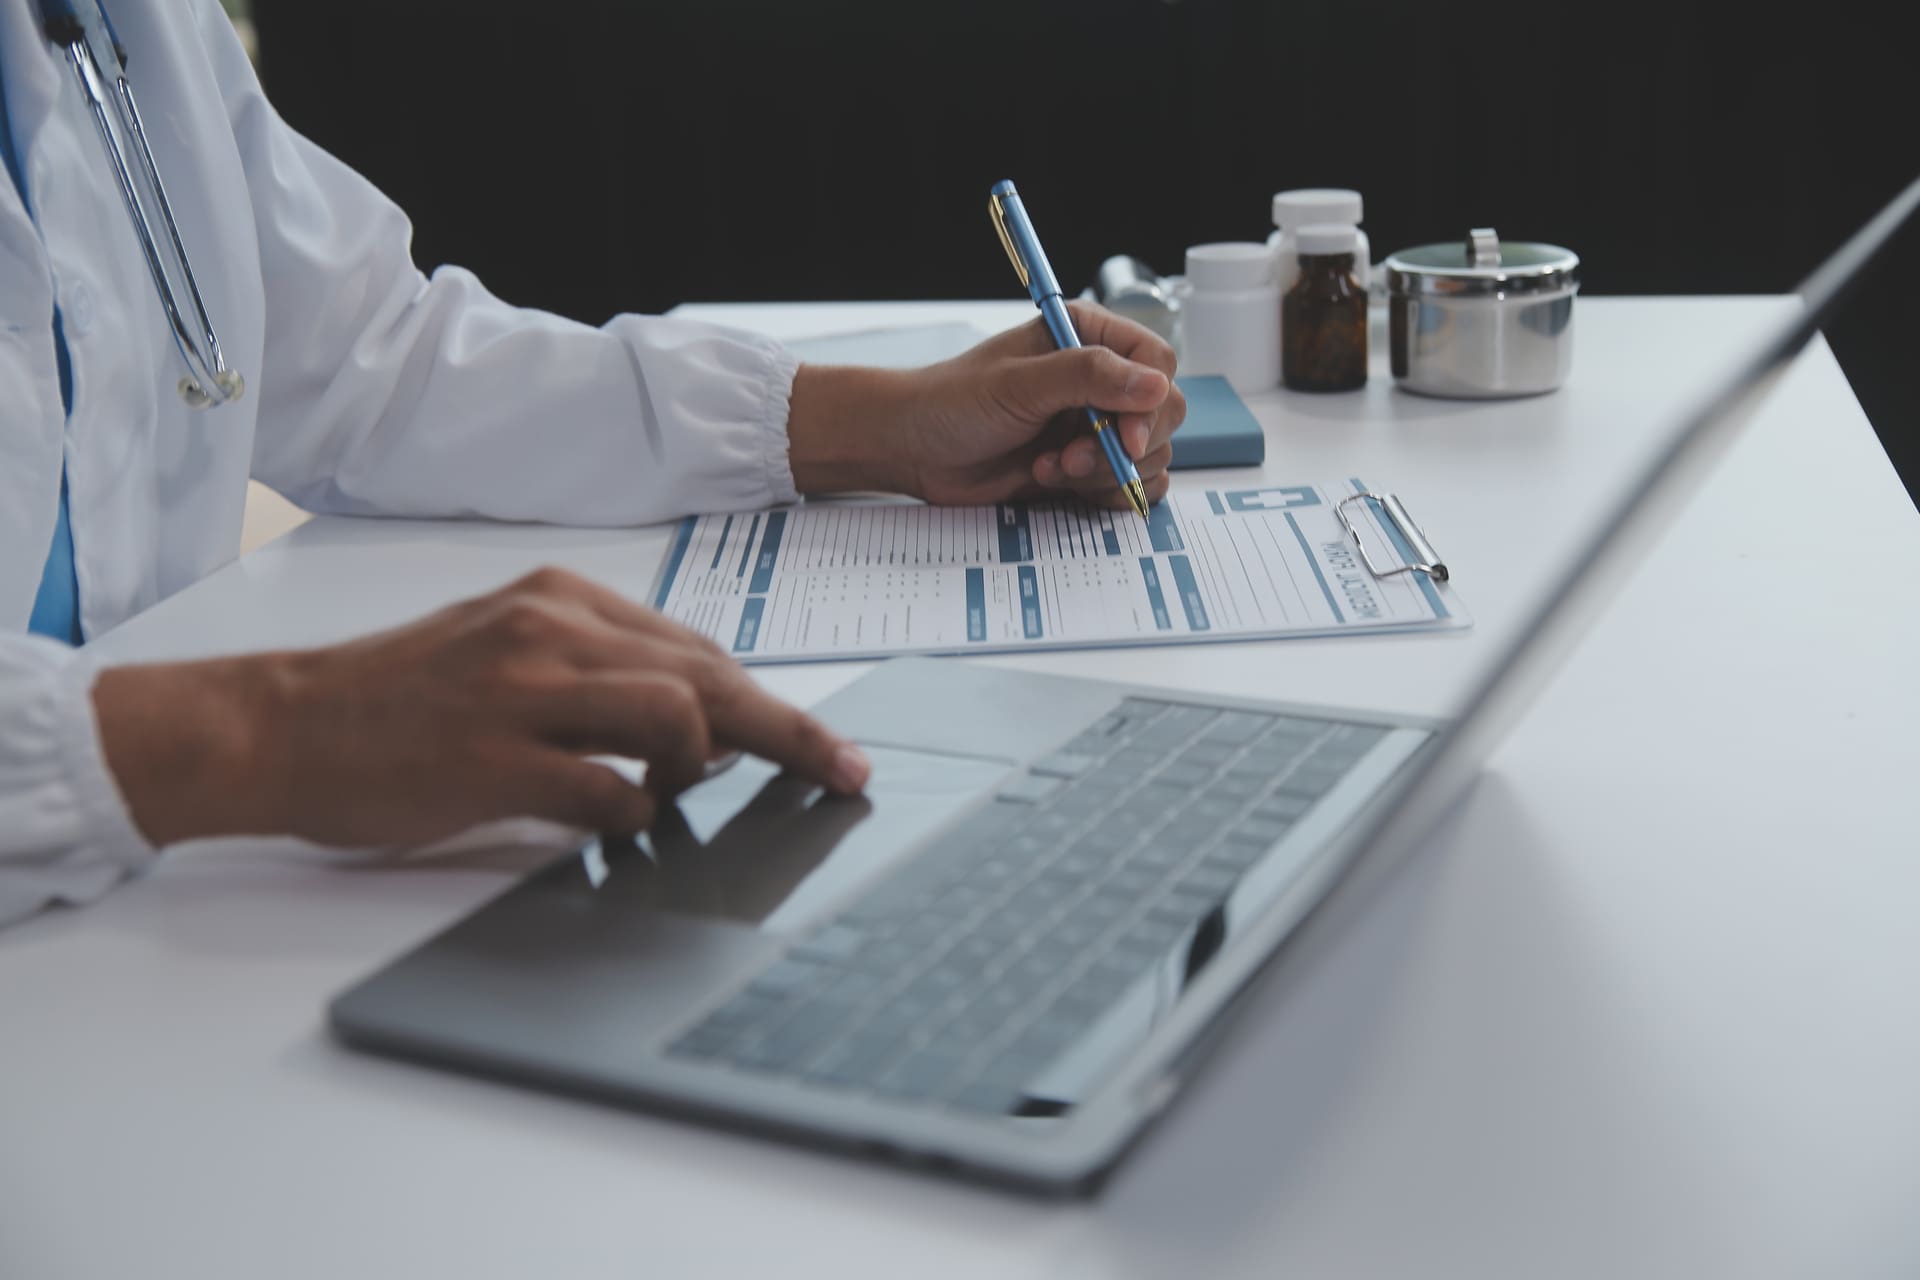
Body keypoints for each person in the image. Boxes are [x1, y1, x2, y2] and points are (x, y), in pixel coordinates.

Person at [0, 0, 1185, 925]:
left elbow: (376, 360)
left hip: (140, 924)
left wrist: (869, 422)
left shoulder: (130, 24)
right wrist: (276, 726)